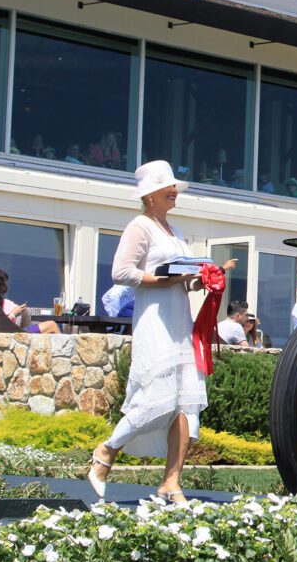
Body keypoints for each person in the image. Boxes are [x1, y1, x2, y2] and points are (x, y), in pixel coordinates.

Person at [89, 160, 234, 505]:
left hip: (179, 321)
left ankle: (171, 481)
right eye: (167, 187)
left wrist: (206, 278)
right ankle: (106, 451)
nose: (174, 191)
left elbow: (182, 279)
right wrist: (164, 279)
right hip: (154, 321)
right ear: (150, 195)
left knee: (185, 403)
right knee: (156, 399)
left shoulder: (173, 230)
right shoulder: (140, 226)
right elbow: (121, 272)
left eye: (174, 187)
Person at [0, 268, 61, 334]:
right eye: (5, 283)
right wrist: (13, 314)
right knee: (51, 325)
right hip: (12, 335)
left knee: (45, 334)